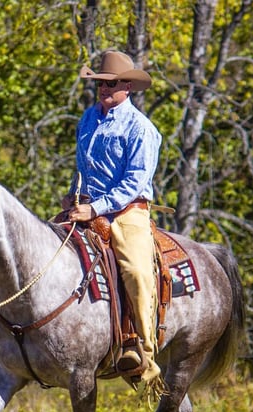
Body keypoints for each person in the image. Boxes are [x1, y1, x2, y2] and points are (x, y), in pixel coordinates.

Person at [64, 50, 163, 386]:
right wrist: (74, 195)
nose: (104, 89)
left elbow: (134, 181)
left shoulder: (141, 128)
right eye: (101, 83)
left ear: (128, 86)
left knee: (135, 270)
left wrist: (97, 208)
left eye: (111, 83)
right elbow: (83, 166)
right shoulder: (88, 118)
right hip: (86, 204)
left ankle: (146, 353)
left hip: (127, 210)